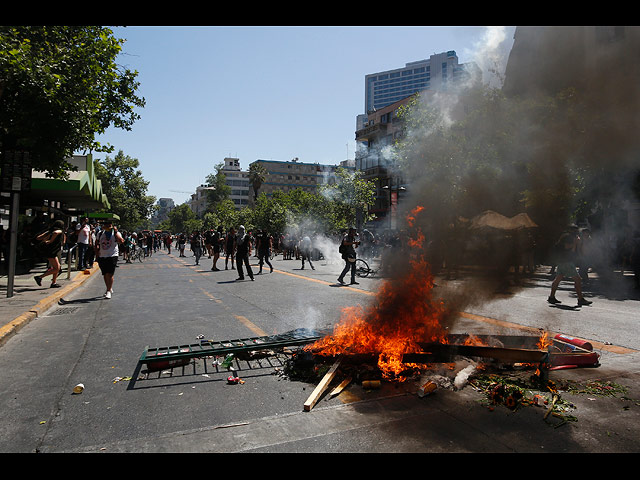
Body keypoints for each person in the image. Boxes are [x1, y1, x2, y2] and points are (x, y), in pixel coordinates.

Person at [548, 229, 592, 306]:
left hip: (562, 262)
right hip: (567, 262)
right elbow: (568, 248)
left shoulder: (564, 236)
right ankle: (580, 299)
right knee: (578, 279)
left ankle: (551, 297)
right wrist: (575, 243)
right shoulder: (568, 237)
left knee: (557, 279)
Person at [95, 220, 124, 299]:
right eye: (106, 225)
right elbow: (96, 243)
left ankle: (108, 290)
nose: (108, 226)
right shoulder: (100, 233)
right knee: (105, 274)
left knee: (110, 274)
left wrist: (115, 232)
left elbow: (121, 241)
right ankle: (109, 288)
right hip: (102, 255)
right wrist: (97, 254)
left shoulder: (116, 233)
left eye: (109, 224)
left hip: (112, 255)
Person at [34, 219, 66, 288]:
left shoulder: (49, 231)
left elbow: (38, 237)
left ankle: (53, 282)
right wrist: (50, 241)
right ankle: (40, 277)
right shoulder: (59, 231)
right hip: (51, 251)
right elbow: (56, 233)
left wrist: (45, 239)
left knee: (57, 267)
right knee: (57, 268)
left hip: (50, 251)